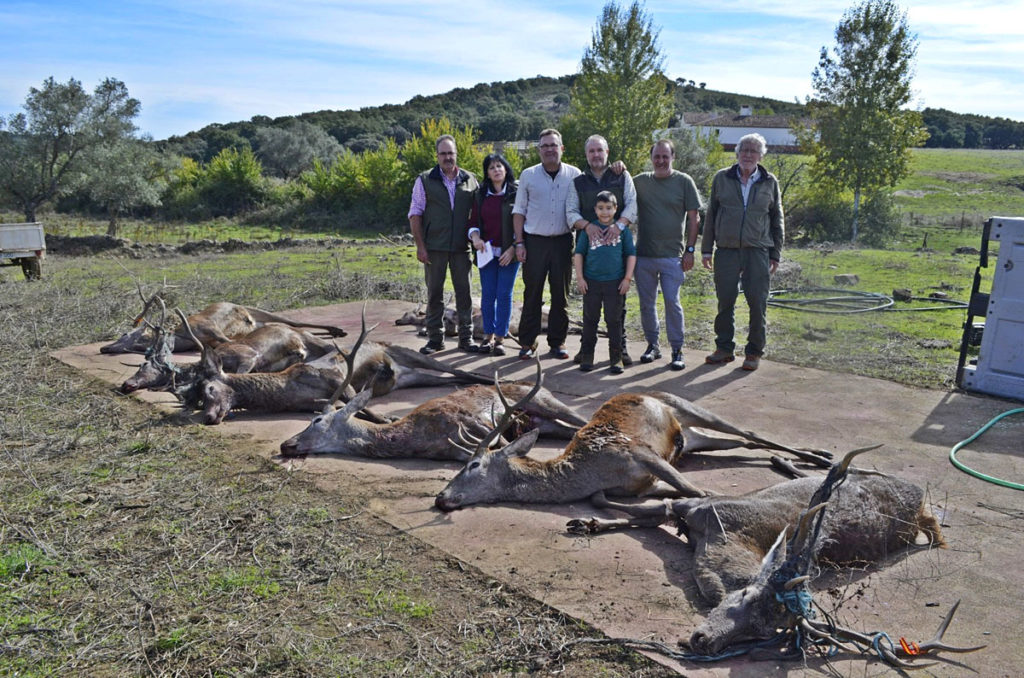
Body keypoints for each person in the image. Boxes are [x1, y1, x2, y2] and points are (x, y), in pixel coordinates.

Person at [701, 133, 784, 372]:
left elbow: (777, 218)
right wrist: (707, 249)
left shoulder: (770, 181)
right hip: (726, 250)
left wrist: (775, 253)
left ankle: (754, 351)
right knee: (725, 301)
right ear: (737, 154)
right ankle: (724, 348)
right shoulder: (722, 178)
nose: (748, 154)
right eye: (744, 150)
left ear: (761, 155)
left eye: (753, 150)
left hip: (758, 250)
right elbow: (712, 216)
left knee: (757, 302)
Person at [566, 134, 638, 366]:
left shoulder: (621, 174)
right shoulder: (578, 181)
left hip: (615, 255)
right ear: (587, 155)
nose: (596, 155)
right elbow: (570, 211)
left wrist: (620, 225)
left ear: (607, 152)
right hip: (590, 254)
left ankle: (620, 351)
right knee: (590, 312)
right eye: (591, 151)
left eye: (600, 150)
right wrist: (587, 226)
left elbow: (632, 202)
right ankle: (586, 353)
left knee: (617, 310)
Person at [632, 139, 703, 371]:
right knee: (647, 304)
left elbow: (694, 219)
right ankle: (653, 345)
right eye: (657, 156)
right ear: (651, 158)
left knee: (672, 303)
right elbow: (617, 193)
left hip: (674, 257)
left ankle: (677, 349)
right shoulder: (640, 182)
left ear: (673, 157)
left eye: (665, 156)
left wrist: (690, 250)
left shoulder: (684, 182)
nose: (661, 161)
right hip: (644, 256)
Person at [512, 129, 582, 360]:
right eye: (545, 146)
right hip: (534, 243)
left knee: (560, 296)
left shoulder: (575, 174)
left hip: (562, 242)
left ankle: (557, 342)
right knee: (533, 294)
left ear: (562, 148)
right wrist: (519, 242)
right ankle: (527, 343)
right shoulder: (528, 175)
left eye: (554, 145)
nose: (550, 149)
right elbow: (519, 211)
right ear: (539, 150)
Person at [408, 134, 479, 354]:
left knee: (464, 294)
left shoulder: (470, 179)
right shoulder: (425, 180)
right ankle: (435, 339)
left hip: (461, 247)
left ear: (456, 154)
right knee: (434, 294)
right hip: (434, 247)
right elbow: (415, 214)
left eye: (451, 153)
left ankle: (466, 338)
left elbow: (479, 213)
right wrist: (421, 246)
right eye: (443, 153)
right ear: (437, 155)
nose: (448, 157)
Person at [573, 191, 636, 374]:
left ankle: (616, 358)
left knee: (614, 321)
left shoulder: (622, 232)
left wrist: (627, 279)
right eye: (601, 208)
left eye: (609, 208)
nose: (605, 212)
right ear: (595, 210)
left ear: (616, 209)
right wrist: (580, 278)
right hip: (591, 282)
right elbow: (579, 254)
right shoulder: (590, 230)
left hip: (615, 283)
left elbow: (631, 254)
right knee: (590, 319)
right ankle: (587, 356)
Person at [467, 154, 519, 356]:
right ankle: (487, 337)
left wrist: (514, 248)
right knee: (488, 295)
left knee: (504, 294)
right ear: (487, 173)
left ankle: (500, 339)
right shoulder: (480, 195)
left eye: (500, 166)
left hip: (510, 252)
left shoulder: (516, 192)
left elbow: (525, 223)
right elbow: (472, 223)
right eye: (491, 167)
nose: (496, 170)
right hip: (486, 253)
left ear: (506, 169)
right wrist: (476, 238)